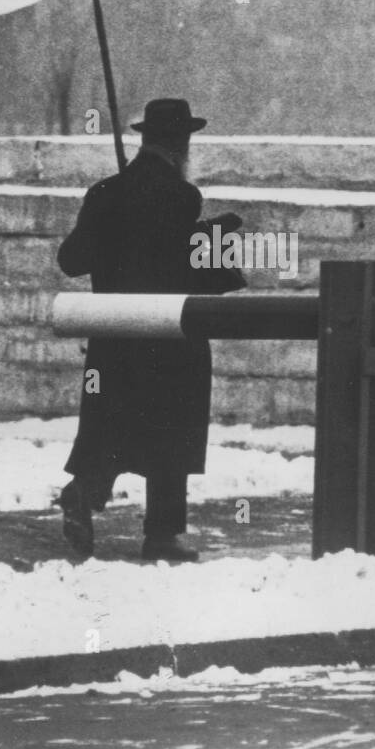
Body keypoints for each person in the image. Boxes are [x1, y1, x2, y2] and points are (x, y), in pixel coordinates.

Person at [55, 98, 245, 562]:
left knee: (111, 427)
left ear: (145, 139)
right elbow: (178, 267)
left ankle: (84, 492)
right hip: (167, 334)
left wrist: (113, 223)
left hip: (115, 336)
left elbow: (71, 261)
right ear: (182, 144)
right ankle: (163, 532)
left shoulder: (105, 192)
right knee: (170, 431)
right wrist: (218, 239)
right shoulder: (181, 197)